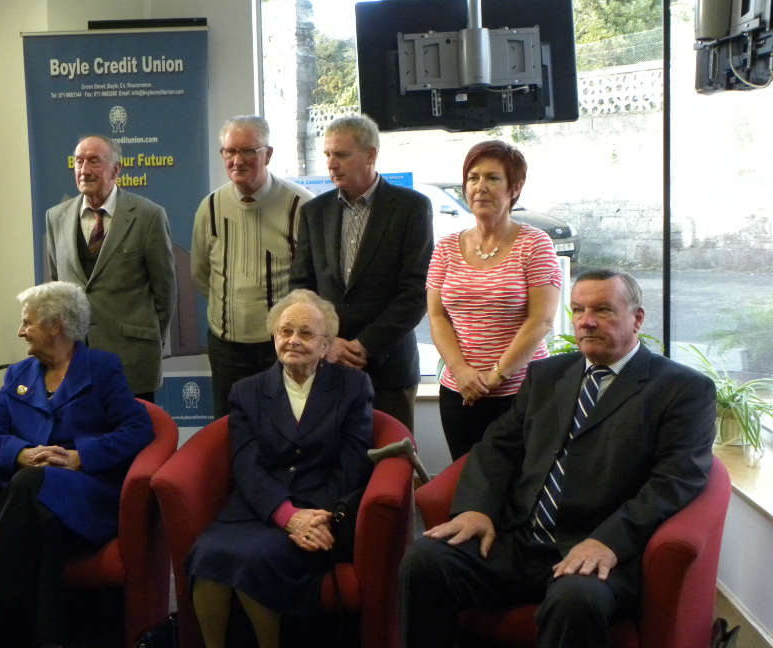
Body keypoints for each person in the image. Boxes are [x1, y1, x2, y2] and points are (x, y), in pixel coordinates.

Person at [400, 270, 716, 648]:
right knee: (424, 562)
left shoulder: (682, 389)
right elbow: (497, 447)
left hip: (597, 545)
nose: (587, 321)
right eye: (578, 309)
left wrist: (610, 541)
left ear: (638, 318)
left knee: (575, 602)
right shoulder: (547, 374)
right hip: (518, 538)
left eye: (603, 309)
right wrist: (476, 508)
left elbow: (675, 481)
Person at [0, 281, 153, 648]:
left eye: (28, 322)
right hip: (32, 499)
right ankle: (49, 639)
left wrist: (79, 456)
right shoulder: (19, 375)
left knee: (31, 485)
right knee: (44, 520)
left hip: (86, 492)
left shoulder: (102, 368)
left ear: (56, 325)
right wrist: (22, 453)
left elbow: (138, 428)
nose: (20, 330)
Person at [186, 289, 373, 648]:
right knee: (208, 555)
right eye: (285, 331)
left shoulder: (352, 387)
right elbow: (247, 466)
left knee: (257, 561)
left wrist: (316, 517)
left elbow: (353, 466)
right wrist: (286, 515)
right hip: (259, 508)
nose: (293, 340)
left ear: (325, 346)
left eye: (305, 333)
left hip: (320, 511)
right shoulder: (247, 392)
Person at [290, 114, 432, 433]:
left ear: (370, 155)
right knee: (333, 468)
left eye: (341, 154)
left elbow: (415, 291)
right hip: (327, 366)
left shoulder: (411, 208)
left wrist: (364, 345)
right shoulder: (314, 212)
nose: (331, 164)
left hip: (388, 368)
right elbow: (301, 287)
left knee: (390, 466)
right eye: (327, 154)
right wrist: (329, 343)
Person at [427, 140, 561, 459]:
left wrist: (495, 376)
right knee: (466, 483)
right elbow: (437, 316)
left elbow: (541, 320)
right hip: (460, 393)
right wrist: (460, 371)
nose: (480, 187)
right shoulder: (445, 247)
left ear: (514, 187)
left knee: (520, 487)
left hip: (521, 392)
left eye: (492, 178)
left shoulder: (535, 244)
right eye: (473, 178)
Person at [191, 115, 313, 417]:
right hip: (226, 346)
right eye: (229, 152)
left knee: (286, 426)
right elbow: (201, 273)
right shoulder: (210, 207)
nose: (237, 160)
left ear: (267, 154)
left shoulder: (301, 206)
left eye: (247, 151)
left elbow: (313, 281)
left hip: (283, 346)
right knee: (231, 428)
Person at [45, 134, 176, 400]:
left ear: (116, 169)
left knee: (134, 437)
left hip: (131, 358)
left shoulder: (148, 216)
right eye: (78, 161)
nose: (84, 170)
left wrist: (148, 339)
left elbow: (164, 290)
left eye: (94, 161)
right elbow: (57, 285)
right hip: (75, 357)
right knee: (80, 438)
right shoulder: (55, 217)